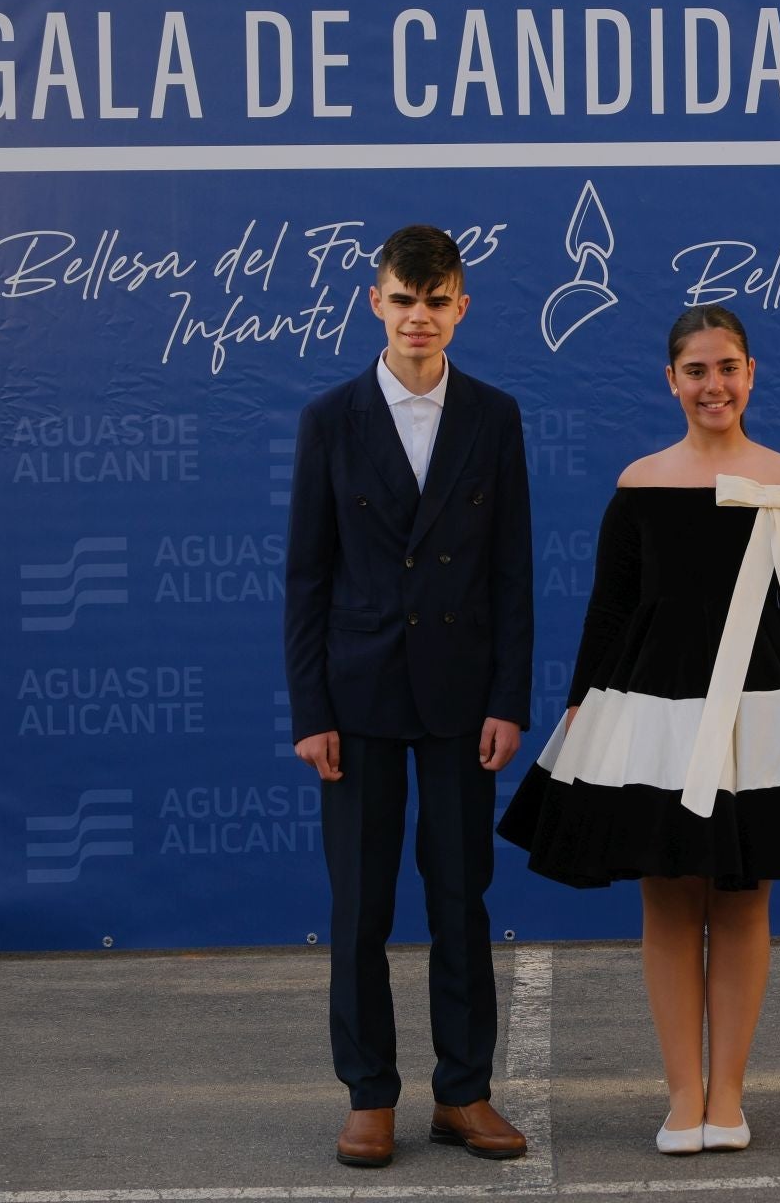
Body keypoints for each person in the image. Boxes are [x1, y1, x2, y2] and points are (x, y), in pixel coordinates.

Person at [498, 304, 780, 1155]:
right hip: (648, 719)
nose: (713, 385)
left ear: (751, 375)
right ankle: (683, 1095)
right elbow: (607, 611)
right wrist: (581, 717)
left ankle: (730, 1094)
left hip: (759, 720)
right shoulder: (639, 482)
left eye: (727, 367)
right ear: (671, 381)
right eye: (696, 370)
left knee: (743, 899)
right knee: (670, 902)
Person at [284, 225, 534, 1169]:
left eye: (437, 302)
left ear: (461, 309)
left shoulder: (495, 416)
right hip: (354, 703)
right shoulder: (329, 420)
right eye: (403, 299)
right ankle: (369, 1096)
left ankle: (464, 1093)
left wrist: (508, 697)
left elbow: (513, 570)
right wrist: (311, 711)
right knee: (359, 906)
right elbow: (306, 577)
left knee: (461, 899)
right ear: (375, 303)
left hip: (464, 701)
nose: (419, 317)